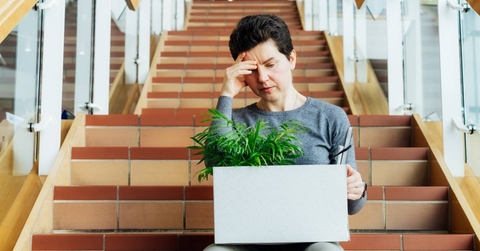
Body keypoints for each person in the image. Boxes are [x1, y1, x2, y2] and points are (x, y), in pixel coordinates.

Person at [203, 14, 366, 251]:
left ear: (291, 58)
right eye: (251, 70)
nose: (262, 78)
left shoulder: (330, 117)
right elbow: (213, 162)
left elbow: (352, 207)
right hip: (247, 242)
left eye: (270, 65)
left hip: (312, 240)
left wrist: (356, 189)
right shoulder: (236, 120)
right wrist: (226, 94)